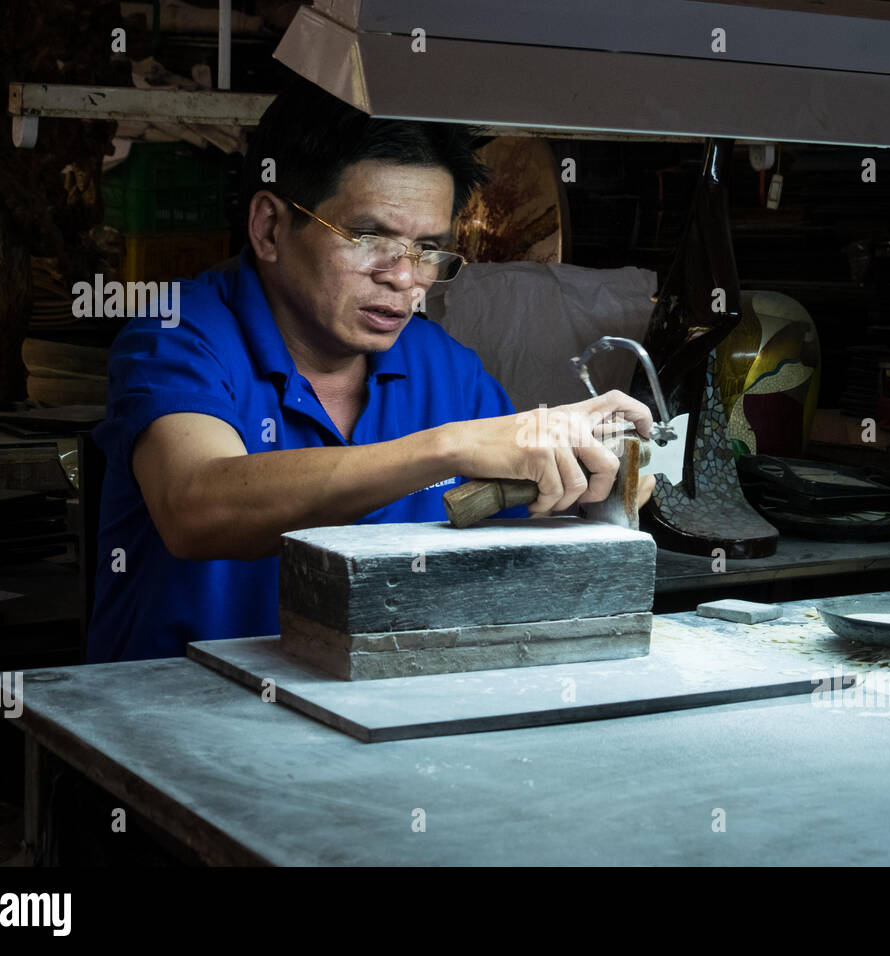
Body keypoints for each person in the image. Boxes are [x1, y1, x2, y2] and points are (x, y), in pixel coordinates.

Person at [87, 78, 654, 663]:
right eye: (366, 237)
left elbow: (516, 547)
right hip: (183, 720)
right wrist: (449, 447)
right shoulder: (180, 334)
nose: (405, 278)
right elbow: (195, 509)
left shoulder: (444, 367)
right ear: (270, 228)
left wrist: (593, 483)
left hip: (380, 712)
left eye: (429, 249)